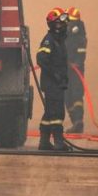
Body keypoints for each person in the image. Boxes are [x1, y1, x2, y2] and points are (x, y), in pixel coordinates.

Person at [37, 8, 71, 151]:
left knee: (49, 113)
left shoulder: (59, 40)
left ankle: (44, 142)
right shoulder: (49, 40)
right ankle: (58, 142)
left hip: (57, 82)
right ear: (52, 25)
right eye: (58, 23)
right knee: (57, 113)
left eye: (62, 23)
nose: (61, 26)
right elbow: (41, 59)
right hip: (52, 83)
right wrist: (55, 74)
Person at [64, 7, 88, 134]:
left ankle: (78, 121)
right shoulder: (65, 33)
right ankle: (76, 122)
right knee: (67, 96)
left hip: (75, 69)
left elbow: (81, 51)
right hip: (65, 69)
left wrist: (76, 63)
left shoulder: (78, 35)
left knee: (76, 94)